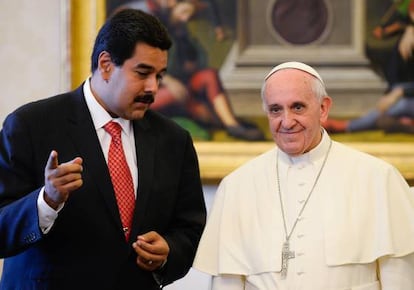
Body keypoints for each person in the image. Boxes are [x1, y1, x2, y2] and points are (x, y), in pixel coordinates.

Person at [0, 8, 206, 290]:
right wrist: (46, 201)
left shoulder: (174, 140)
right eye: (143, 73)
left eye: (159, 75)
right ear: (106, 64)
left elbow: (190, 227)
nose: (153, 88)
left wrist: (168, 251)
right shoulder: (29, 125)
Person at [192, 61, 414, 289]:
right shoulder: (236, 187)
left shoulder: (378, 178)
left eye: (298, 107)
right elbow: (226, 282)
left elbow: (399, 280)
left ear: (323, 108)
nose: (287, 122)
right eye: (275, 109)